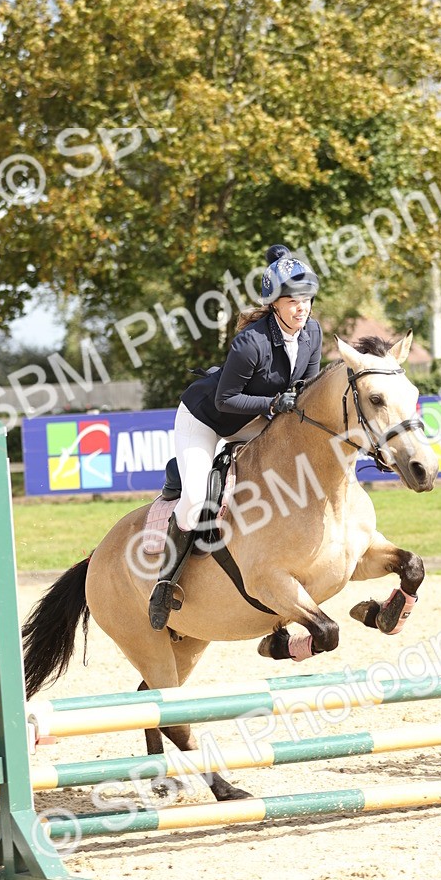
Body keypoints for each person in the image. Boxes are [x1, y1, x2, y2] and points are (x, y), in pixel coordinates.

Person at [148, 244, 323, 629]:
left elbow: (307, 389)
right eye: (292, 300)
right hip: (207, 417)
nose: (302, 307)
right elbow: (226, 400)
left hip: (258, 413)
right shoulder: (251, 342)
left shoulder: (312, 333)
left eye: (306, 298)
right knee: (195, 499)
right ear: (275, 304)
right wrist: (275, 403)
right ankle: (164, 582)